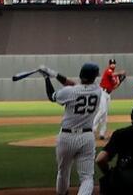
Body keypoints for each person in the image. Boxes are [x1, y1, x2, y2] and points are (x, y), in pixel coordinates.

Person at [46, 62, 108, 195]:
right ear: (94, 77)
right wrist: (55, 74)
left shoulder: (70, 91)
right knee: (87, 177)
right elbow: (74, 85)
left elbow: (51, 96)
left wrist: (47, 78)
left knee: (63, 172)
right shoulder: (98, 90)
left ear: (81, 75)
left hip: (66, 137)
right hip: (86, 137)